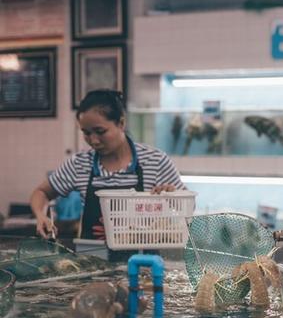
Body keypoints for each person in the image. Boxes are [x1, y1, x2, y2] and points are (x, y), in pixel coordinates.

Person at [30, 89, 184, 259]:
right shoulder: (80, 164)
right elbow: (41, 192)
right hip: (92, 263)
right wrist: (41, 215)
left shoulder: (155, 161)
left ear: (121, 123)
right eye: (86, 133)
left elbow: (183, 207)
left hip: (143, 263)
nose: (94, 140)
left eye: (100, 131)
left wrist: (171, 196)